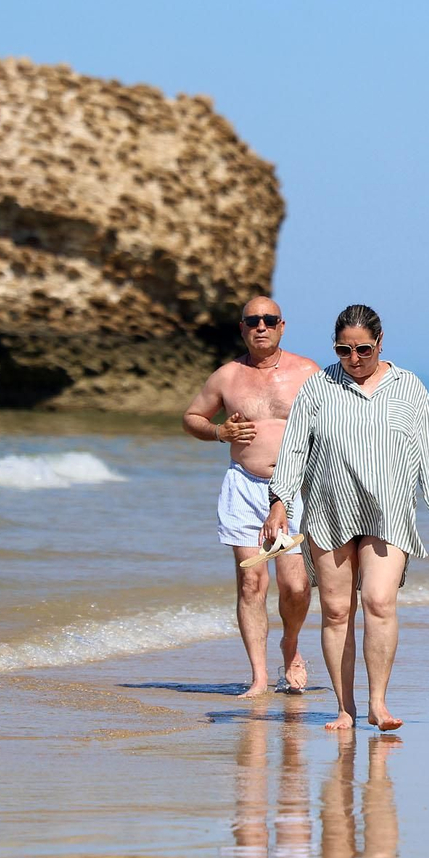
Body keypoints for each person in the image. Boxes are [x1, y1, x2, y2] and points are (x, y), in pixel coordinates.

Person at [263, 304, 429, 732]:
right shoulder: (319, 387)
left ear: (380, 343)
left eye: (362, 349)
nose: (353, 359)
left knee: (378, 601)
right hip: (329, 510)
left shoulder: (408, 387)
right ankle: (345, 708)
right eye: (343, 350)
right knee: (337, 610)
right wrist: (280, 503)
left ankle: (378, 704)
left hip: (389, 511)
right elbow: (295, 450)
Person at [183, 297, 321, 696]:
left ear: (282, 326)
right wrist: (218, 433)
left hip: (297, 489)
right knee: (251, 583)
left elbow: (335, 422)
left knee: (296, 586)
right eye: (253, 321)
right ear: (242, 328)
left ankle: (290, 646)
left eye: (269, 320)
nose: (261, 326)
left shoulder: (307, 372)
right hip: (245, 485)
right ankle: (259, 677)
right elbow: (192, 418)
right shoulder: (227, 376)